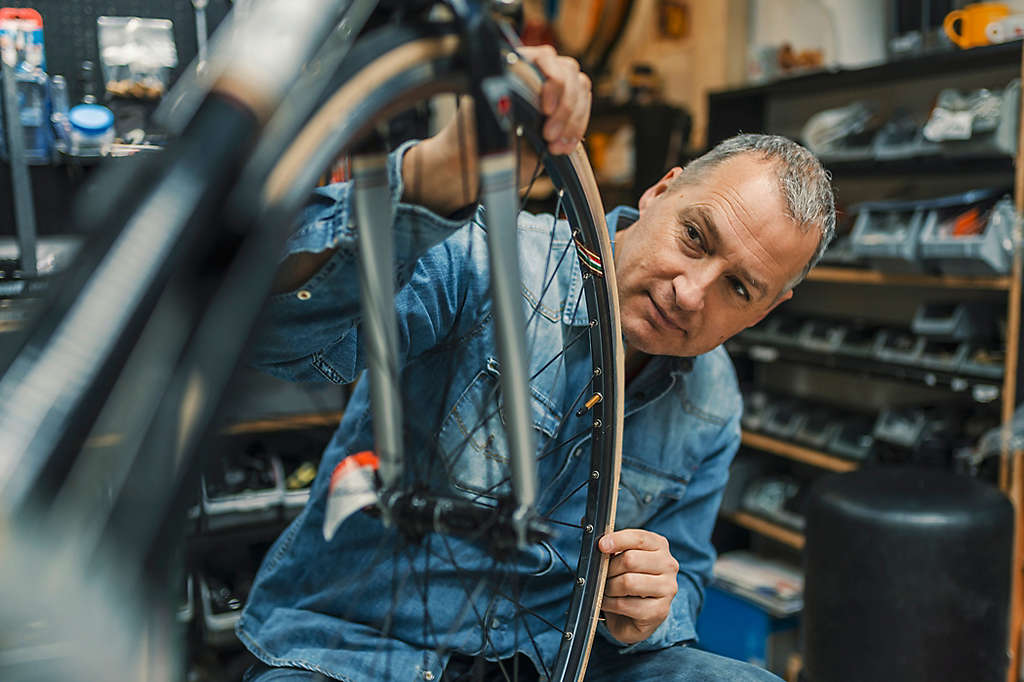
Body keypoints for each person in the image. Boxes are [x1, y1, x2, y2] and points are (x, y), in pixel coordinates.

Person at [236, 45, 835, 682]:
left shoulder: (713, 403)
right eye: (695, 236)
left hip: (562, 663)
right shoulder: (486, 259)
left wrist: (655, 602)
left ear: (769, 309)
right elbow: (275, 334)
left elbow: (686, 576)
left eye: (739, 288)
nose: (691, 292)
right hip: (363, 649)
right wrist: (431, 182)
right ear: (663, 191)